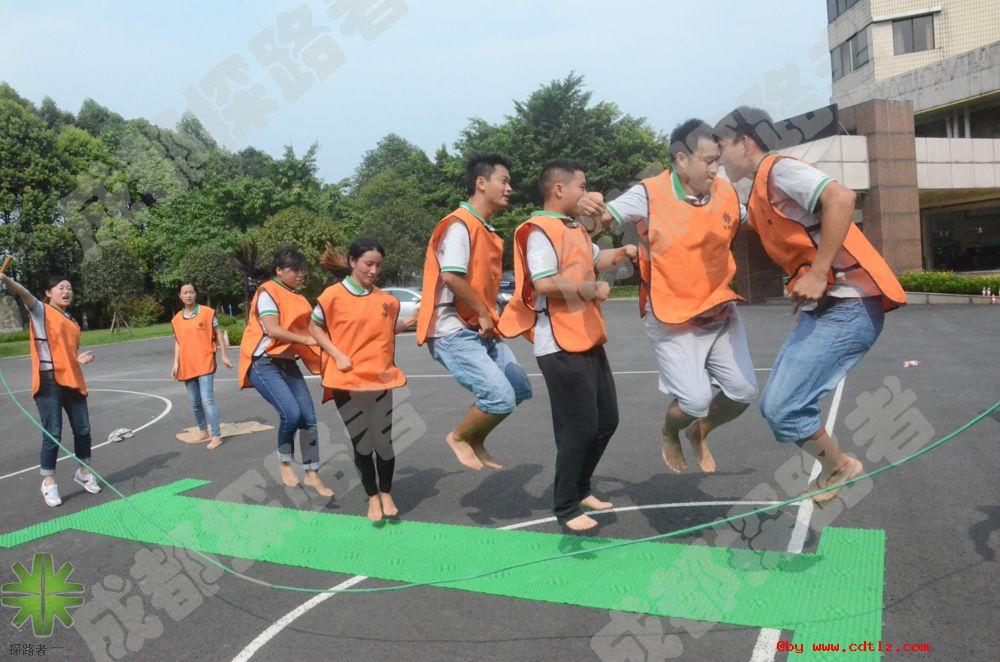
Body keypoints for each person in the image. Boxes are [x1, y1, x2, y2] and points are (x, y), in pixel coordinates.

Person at [715, 106, 906, 503]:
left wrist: (819, 273)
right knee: (776, 407)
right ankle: (837, 465)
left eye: (721, 149)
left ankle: (840, 466)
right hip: (826, 309)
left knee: (784, 406)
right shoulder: (759, 191)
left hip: (849, 307)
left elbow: (842, 198)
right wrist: (807, 279)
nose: (719, 160)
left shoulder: (780, 171)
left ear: (744, 142)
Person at [578, 119, 757, 474]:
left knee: (743, 393)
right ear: (681, 160)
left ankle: (699, 431)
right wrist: (587, 209)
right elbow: (599, 223)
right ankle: (670, 431)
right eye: (708, 160)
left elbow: (751, 220)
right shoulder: (649, 193)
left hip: (719, 310)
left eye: (717, 160)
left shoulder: (724, 190)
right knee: (694, 401)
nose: (715, 168)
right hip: (672, 315)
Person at [499, 159, 636, 531]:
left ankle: (581, 488)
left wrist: (625, 252)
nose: (586, 193)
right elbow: (543, 283)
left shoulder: (574, 229)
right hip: (558, 343)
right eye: (582, 186)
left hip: (587, 336)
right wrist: (589, 289)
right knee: (579, 428)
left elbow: (598, 260)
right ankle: (566, 506)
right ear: (559, 189)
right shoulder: (540, 231)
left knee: (607, 420)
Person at [415, 154, 532, 471]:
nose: (509, 188)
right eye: (504, 181)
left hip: (479, 327)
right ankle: (458, 437)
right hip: (452, 330)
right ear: (481, 183)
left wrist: (489, 316)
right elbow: (451, 277)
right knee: (500, 397)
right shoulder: (459, 225)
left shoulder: (485, 229)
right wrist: (482, 312)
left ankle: (476, 439)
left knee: (519, 389)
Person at [309, 239, 417, 522]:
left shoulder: (386, 300)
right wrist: (336, 353)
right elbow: (314, 326)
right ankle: (372, 496)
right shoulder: (332, 296)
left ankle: (386, 492)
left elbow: (384, 329)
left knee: (383, 441)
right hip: (346, 382)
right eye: (369, 264)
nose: (374, 271)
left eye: (378, 265)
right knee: (363, 443)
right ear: (352, 262)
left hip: (380, 380)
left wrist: (410, 322)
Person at [236, 246, 331, 497]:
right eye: (295, 270)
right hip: (264, 364)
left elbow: (313, 327)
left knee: (308, 418)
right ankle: (285, 462)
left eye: (302, 270)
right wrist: (308, 340)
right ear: (279, 270)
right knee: (291, 414)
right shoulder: (268, 291)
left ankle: (312, 473)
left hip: (287, 363)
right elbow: (273, 329)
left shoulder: (298, 298)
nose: (301, 275)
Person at [0, 271, 99, 507]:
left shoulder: (72, 320)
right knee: (53, 432)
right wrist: (6, 280)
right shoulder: (41, 311)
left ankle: (84, 472)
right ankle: (48, 482)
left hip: (72, 378)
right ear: (48, 293)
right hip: (49, 380)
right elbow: (24, 293)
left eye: (69, 288)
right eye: (61, 288)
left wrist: (78, 358)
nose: (66, 291)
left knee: (83, 429)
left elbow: (67, 351)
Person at [171, 282, 231, 450]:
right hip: (187, 364)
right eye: (185, 292)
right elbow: (178, 341)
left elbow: (218, 332)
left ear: (195, 294)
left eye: (191, 292)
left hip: (205, 362)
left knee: (207, 400)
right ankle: (203, 431)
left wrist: (224, 354)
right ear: (180, 296)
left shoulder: (207, 313)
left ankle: (216, 435)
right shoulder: (176, 320)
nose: (188, 295)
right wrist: (175, 363)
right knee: (195, 402)